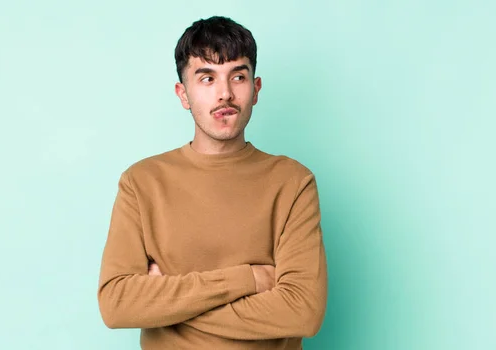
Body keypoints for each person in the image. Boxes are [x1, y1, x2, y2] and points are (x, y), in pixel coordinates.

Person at [97, 16, 328, 349]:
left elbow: (303, 312)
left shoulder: (293, 182)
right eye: (207, 78)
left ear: (256, 88)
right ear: (183, 94)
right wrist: (249, 278)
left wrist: (166, 306)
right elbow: (116, 304)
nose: (225, 94)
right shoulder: (142, 182)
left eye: (238, 76)